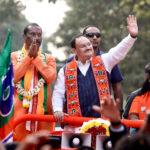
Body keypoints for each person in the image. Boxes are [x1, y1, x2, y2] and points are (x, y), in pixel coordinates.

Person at [52, 15, 138, 131]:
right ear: (74, 51)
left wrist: (131, 36)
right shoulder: (65, 69)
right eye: (83, 46)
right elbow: (58, 93)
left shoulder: (104, 61)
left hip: (102, 123)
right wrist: (57, 109)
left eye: (89, 45)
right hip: (75, 125)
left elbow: (119, 51)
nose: (88, 47)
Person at [11, 23, 57, 141]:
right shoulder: (14, 57)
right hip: (19, 112)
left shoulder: (49, 58)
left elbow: (50, 77)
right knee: (20, 145)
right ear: (24, 37)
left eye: (39, 35)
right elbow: (14, 77)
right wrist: (28, 58)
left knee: (43, 145)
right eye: (32, 34)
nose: (36, 38)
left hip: (43, 112)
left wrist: (36, 58)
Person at [82, 25, 124, 113]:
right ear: (83, 38)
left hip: (103, 113)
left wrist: (119, 110)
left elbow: (117, 86)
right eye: (90, 35)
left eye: (98, 35)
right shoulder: (72, 61)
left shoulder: (108, 59)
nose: (94, 37)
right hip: (79, 113)